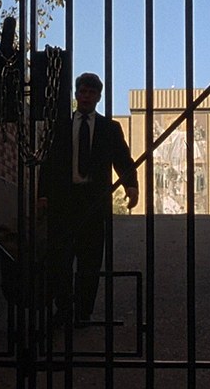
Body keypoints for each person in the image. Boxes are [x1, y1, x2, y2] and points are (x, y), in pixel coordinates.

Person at [38, 72, 139, 327]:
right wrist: (43, 194)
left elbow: (122, 159)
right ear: (76, 94)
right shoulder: (60, 126)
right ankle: (63, 308)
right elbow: (48, 163)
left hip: (93, 202)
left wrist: (131, 185)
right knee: (60, 258)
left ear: (98, 97)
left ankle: (83, 312)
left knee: (90, 259)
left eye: (91, 92)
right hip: (63, 200)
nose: (86, 96)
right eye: (82, 92)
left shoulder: (109, 128)